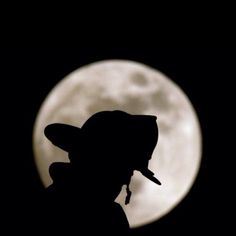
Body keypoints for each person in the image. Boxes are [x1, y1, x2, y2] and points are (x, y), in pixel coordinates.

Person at [43, 110, 161, 235]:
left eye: (129, 170)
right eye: (124, 169)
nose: (126, 177)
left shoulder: (110, 214)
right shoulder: (110, 217)